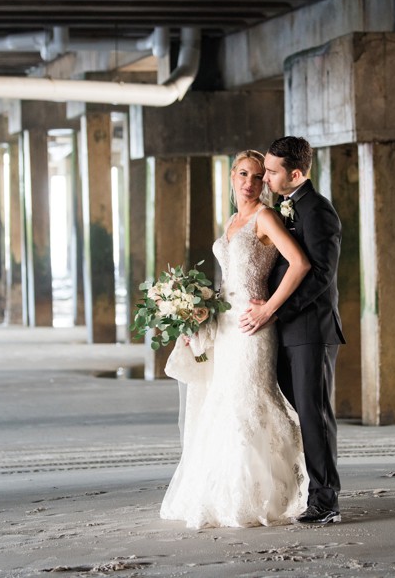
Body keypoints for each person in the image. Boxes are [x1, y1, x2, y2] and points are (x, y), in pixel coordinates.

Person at [160, 149, 312, 529]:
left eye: (258, 177)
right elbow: (228, 279)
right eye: (243, 174)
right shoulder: (232, 220)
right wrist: (197, 313)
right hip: (225, 324)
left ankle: (262, 495)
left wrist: (269, 310)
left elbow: (300, 263)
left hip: (253, 326)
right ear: (232, 177)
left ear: (265, 183)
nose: (249, 182)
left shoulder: (265, 216)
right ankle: (220, 492)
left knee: (250, 401)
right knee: (222, 400)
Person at [241, 135, 345, 525]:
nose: (264, 178)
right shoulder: (283, 209)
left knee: (314, 415)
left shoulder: (319, 211)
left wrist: (276, 312)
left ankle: (325, 500)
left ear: (296, 174)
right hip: (282, 330)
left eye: (270, 171)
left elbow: (320, 275)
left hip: (310, 331)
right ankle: (303, 490)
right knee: (292, 414)